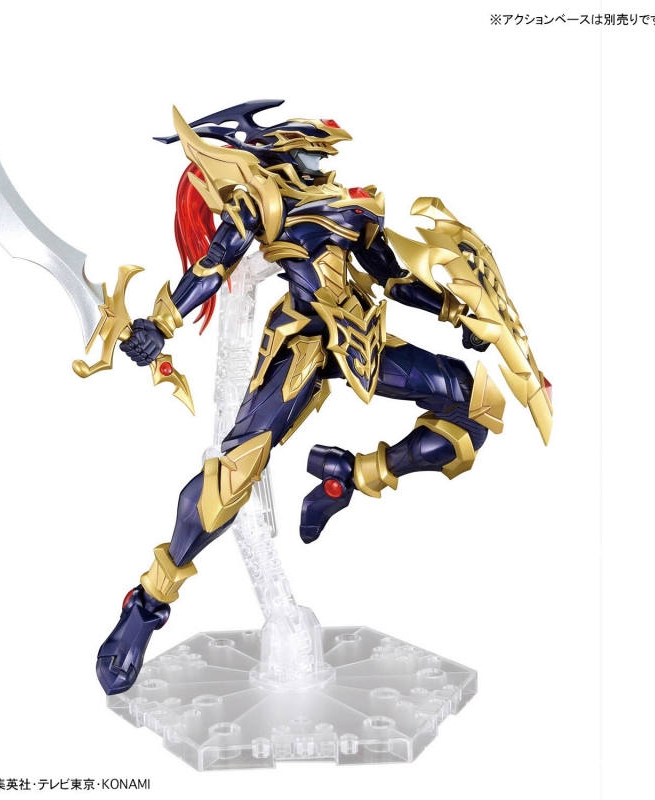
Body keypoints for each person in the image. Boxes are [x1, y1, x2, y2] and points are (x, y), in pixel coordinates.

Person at [95, 101, 504, 695]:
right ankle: (146, 604)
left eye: (325, 152)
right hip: (302, 346)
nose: (324, 160)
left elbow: (390, 276)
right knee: (231, 476)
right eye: (313, 150)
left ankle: (348, 477)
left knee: (473, 404)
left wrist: (456, 311)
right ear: (285, 150)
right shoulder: (264, 202)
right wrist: (162, 323)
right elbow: (213, 265)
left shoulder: (353, 205)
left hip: (361, 341)